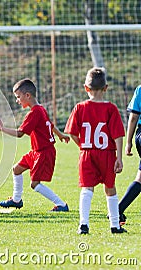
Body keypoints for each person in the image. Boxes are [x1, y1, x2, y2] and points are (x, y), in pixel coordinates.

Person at [64, 67, 126, 234]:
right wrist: (119, 158)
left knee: (87, 188)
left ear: (86, 88)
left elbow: (71, 132)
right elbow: (118, 135)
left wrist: (83, 145)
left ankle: (83, 224)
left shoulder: (79, 107)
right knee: (110, 188)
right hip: (107, 154)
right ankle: (114, 225)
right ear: (106, 88)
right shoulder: (111, 109)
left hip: (87, 153)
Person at [0, 78, 69, 213]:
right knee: (16, 169)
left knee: (35, 184)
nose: (17, 100)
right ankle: (16, 200)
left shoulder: (34, 113)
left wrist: (2, 129)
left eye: (18, 97)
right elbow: (50, 124)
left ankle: (61, 204)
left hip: (44, 152)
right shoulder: (40, 109)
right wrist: (60, 135)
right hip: (36, 151)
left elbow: (20, 133)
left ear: (27, 95)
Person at [116, 83, 141, 225]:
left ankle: (118, 210)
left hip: (140, 135)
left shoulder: (140, 89)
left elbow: (133, 117)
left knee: (140, 178)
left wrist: (129, 141)